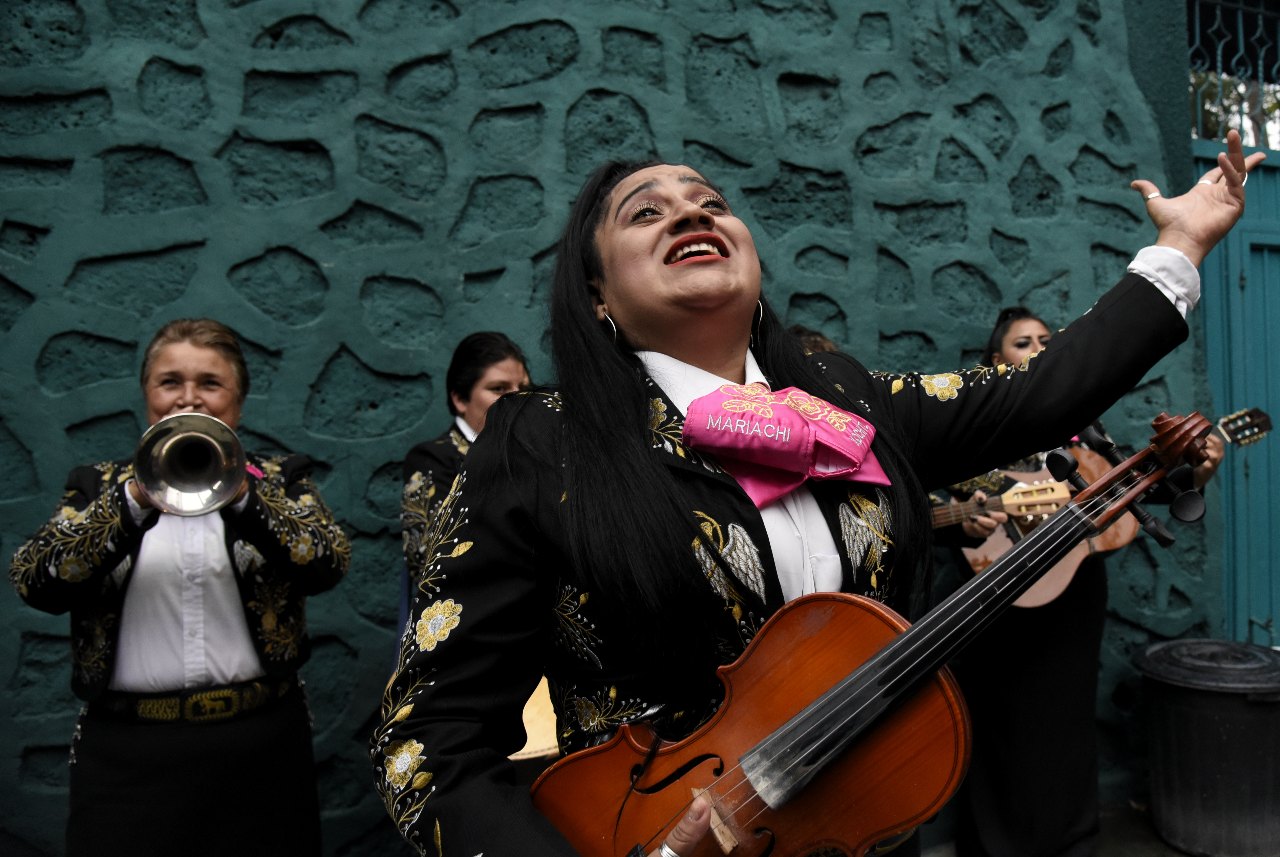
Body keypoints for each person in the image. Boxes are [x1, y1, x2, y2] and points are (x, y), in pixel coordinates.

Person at [371, 133, 1261, 857]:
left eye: (710, 200)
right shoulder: (540, 441)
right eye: (646, 211)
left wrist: (1180, 247)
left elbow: (1036, 396)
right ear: (597, 293)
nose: (691, 210)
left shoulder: (847, 400)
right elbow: (430, 733)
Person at [9, 318, 351, 857]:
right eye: (170, 382)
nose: (188, 398)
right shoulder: (96, 485)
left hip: (260, 750)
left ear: (238, 403)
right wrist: (131, 502)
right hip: (128, 758)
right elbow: (36, 580)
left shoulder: (281, 479)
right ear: (147, 395)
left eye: (210, 383)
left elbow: (327, 561)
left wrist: (245, 496)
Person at [933, 307, 1224, 857]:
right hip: (997, 596)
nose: (1039, 348)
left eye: (1047, 339)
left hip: (1075, 595)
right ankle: (997, 845)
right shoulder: (978, 425)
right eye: (1023, 342)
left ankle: (1071, 840)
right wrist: (963, 521)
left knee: (1066, 720)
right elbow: (938, 507)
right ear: (996, 360)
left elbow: (1130, 492)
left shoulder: (1084, 430)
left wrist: (1197, 473)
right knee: (1002, 721)